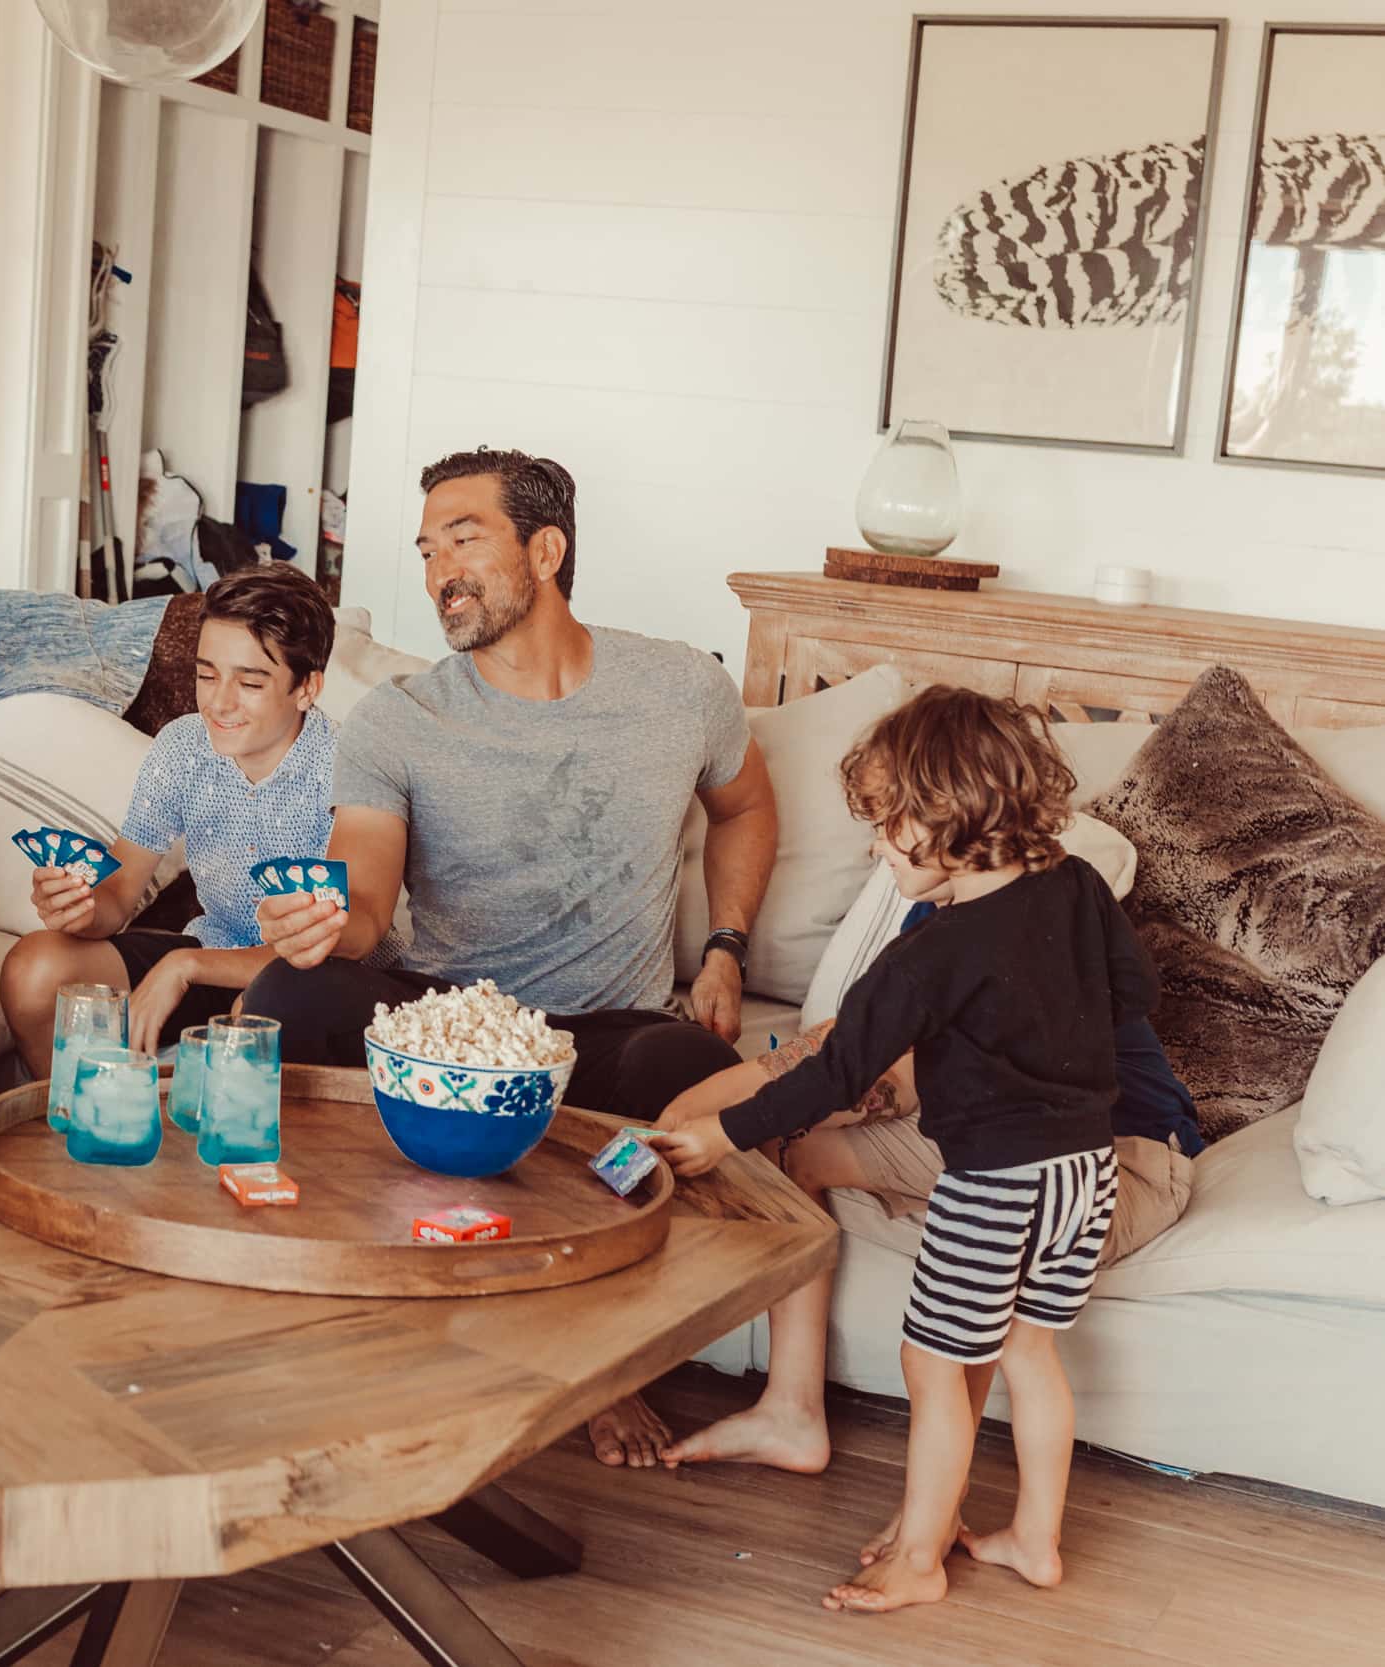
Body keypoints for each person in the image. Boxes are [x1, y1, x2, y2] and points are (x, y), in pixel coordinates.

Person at [244, 447, 778, 1466]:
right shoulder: (400, 717)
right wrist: (326, 925)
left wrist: (725, 948)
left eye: (463, 536)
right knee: (288, 992)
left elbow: (746, 803)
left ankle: (590, 1361)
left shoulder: (679, 687)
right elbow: (362, 890)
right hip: (439, 1019)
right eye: (424, 546)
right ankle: (293, 1296)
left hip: (598, 1036)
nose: (438, 566)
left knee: (702, 1078)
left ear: (546, 546)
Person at [651, 687, 1153, 1615]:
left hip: (995, 1181)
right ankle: (1035, 1539)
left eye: (887, 826)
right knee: (1032, 1353)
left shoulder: (927, 956)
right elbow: (1133, 990)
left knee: (931, 1365)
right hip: (1087, 1170)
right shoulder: (1079, 885)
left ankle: (921, 1554)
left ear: (949, 815)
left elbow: (833, 1075)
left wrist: (724, 1131)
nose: (876, 848)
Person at [653, 953, 1201, 1482]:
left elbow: (864, 1065)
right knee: (785, 1152)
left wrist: (708, 1116)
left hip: (1122, 1162)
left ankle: (936, 1529)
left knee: (950, 1349)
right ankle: (791, 1415)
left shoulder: (1004, 918)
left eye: (894, 848)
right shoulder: (943, 913)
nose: (877, 852)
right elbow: (868, 1050)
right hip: (1010, 1129)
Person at [0, 563, 346, 1060]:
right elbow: (118, 895)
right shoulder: (181, 747)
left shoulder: (344, 768)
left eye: (249, 684)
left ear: (308, 688)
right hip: (209, 954)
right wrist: (78, 907)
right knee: (32, 967)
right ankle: (65, 1126)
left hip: (308, 978)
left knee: (254, 1017)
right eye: (207, 675)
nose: (218, 704)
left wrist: (184, 965)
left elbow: (322, 946)